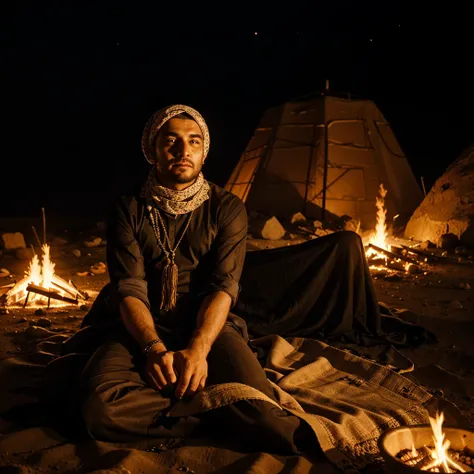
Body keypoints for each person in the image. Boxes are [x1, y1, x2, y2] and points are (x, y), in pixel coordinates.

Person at [79, 104, 312, 454]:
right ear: (152, 150)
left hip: (207, 326)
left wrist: (199, 350)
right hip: (141, 327)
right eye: (171, 141)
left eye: (194, 141)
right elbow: (128, 287)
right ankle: (214, 413)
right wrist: (153, 349)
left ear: (204, 152)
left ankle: (179, 415)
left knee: (267, 419)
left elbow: (223, 287)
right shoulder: (129, 207)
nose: (183, 150)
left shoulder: (227, 207)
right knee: (98, 410)